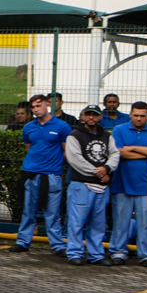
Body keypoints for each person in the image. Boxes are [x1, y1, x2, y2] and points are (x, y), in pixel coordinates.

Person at [107, 101, 147, 267]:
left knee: (146, 223)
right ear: (130, 114)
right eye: (136, 115)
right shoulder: (119, 130)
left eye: (142, 116)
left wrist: (131, 148)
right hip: (122, 184)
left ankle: (146, 255)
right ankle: (118, 252)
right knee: (120, 222)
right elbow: (118, 153)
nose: (139, 118)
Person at [13, 93, 71, 255]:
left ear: (47, 104)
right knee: (28, 210)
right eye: (33, 107)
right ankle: (23, 241)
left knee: (52, 212)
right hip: (31, 173)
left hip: (52, 175)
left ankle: (57, 245)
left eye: (39, 105)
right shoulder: (28, 127)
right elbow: (30, 149)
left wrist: (54, 164)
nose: (36, 109)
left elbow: (67, 151)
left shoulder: (62, 126)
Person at [63, 104, 115, 267]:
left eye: (95, 115)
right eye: (88, 114)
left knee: (98, 223)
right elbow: (74, 159)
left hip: (101, 187)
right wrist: (98, 172)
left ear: (100, 117)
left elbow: (115, 154)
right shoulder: (75, 136)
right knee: (76, 222)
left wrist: (107, 168)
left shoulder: (107, 136)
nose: (91, 117)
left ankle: (96, 254)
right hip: (81, 185)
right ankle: (74, 253)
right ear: (83, 116)